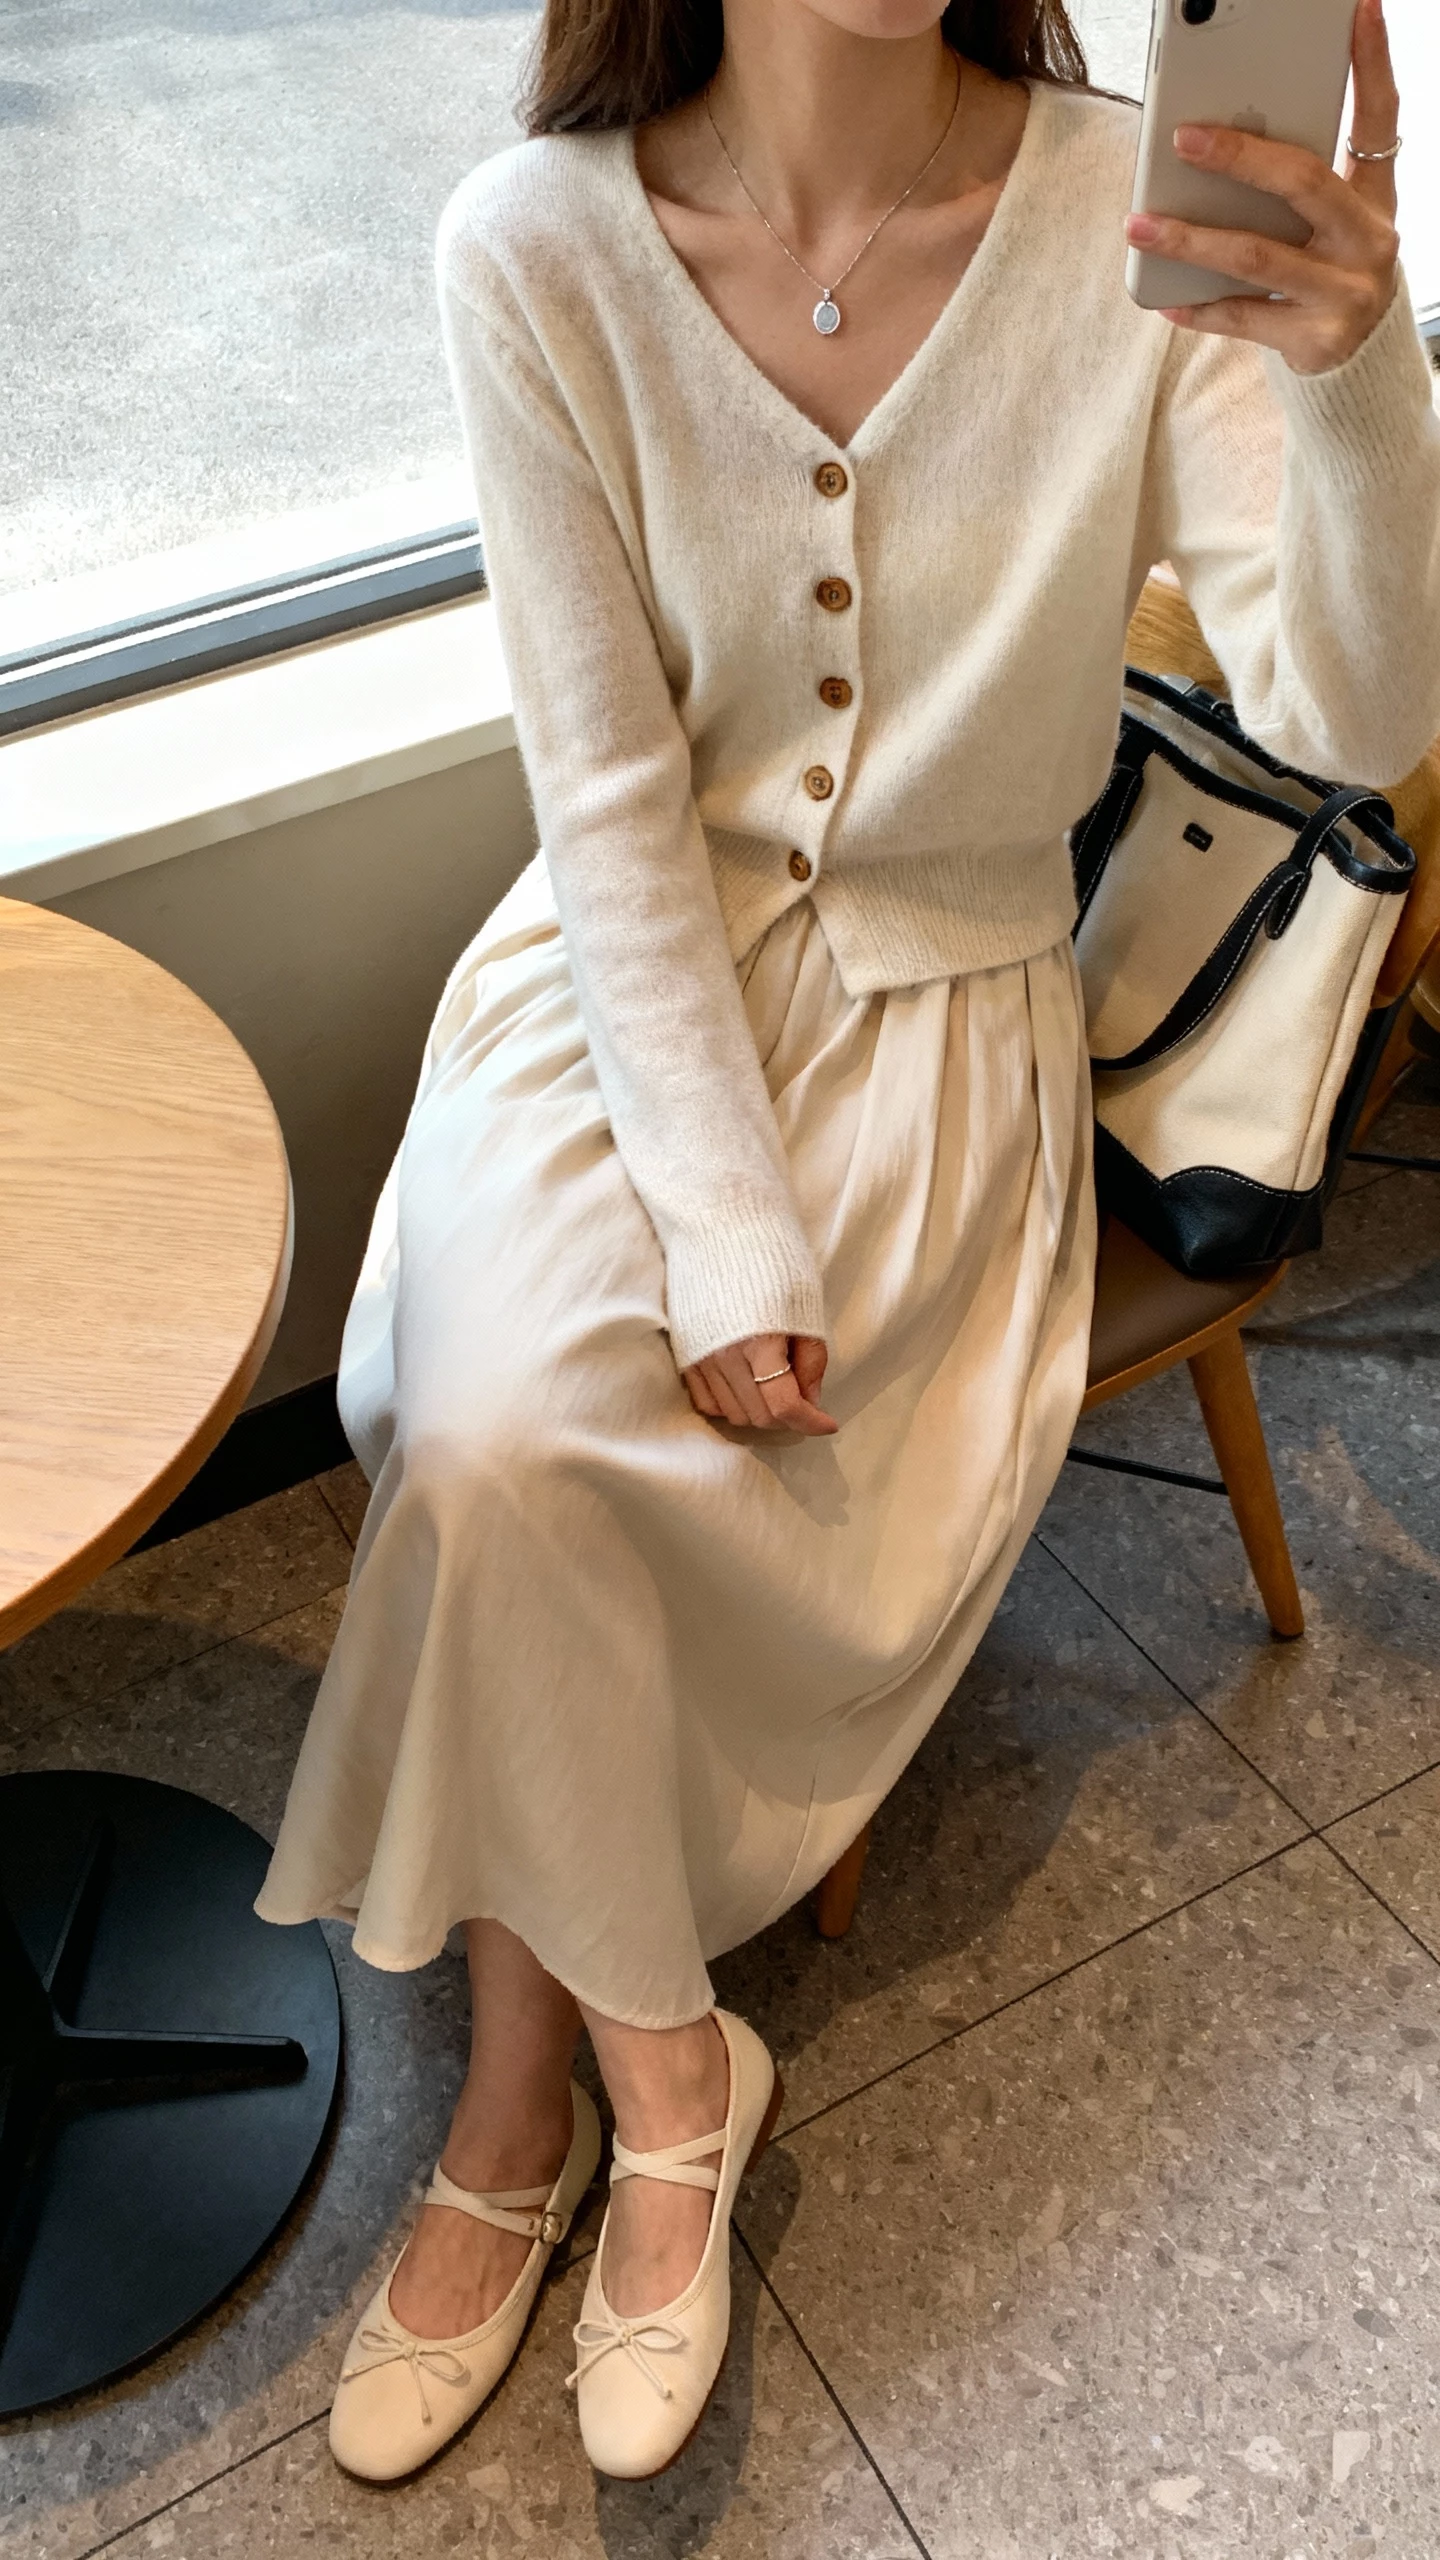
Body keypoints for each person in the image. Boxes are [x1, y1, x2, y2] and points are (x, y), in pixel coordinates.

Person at [257, 0, 1440, 2485]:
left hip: (946, 1013)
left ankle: (520, 2110)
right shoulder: (537, 245)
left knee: (553, 1471)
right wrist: (713, 1222)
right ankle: (655, 2059)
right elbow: (598, 787)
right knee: (482, 1428)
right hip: (622, 984)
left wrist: (1357, 372)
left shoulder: (1136, 217)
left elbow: (1353, 705)